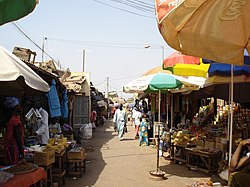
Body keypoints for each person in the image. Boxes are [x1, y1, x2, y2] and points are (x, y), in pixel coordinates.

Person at [3, 97, 24, 165]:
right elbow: (18, 137)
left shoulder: (11, 119)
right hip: (14, 148)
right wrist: (22, 154)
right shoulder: (15, 121)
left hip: (10, 147)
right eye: (18, 106)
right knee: (15, 166)